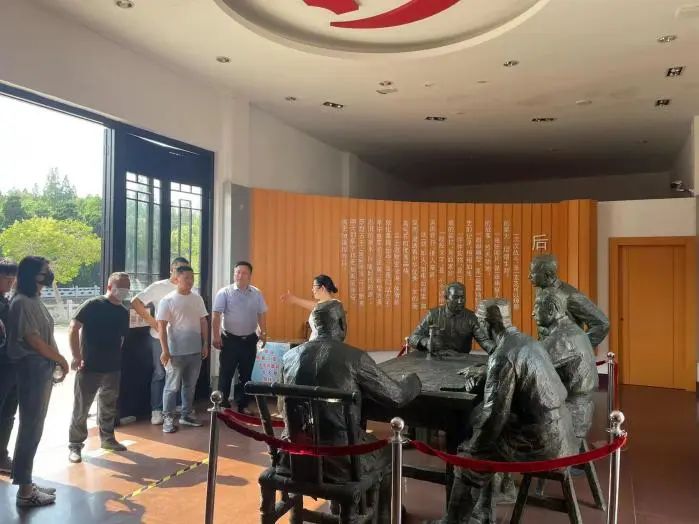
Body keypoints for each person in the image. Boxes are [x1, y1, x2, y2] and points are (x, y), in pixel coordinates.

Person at [435, 298, 577, 524]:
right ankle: (483, 510)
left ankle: (453, 521)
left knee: (469, 456)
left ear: (486, 325)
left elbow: (495, 416)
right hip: (563, 431)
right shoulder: (528, 341)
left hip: (541, 442)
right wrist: (487, 380)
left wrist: (473, 447)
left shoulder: (503, 356)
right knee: (486, 438)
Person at [279, 305, 421, 521]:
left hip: (292, 458)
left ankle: (345, 507)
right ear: (342, 324)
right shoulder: (355, 358)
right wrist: (414, 381)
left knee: (346, 438)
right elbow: (397, 396)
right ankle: (383, 517)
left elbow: (283, 409)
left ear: (312, 327)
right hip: (341, 462)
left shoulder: (289, 357)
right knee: (389, 451)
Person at [7, 256, 69, 507]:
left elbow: (44, 335)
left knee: (35, 426)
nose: (48, 275)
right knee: (30, 428)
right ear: (31, 274)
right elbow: (34, 340)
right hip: (31, 368)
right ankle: (25, 490)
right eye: (45, 271)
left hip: (41, 369)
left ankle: (27, 480)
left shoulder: (34, 300)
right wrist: (60, 359)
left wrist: (56, 361)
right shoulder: (22, 302)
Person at [67, 272, 132, 463]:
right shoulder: (93, 305)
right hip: (89, 365)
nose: (124, 291)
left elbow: (121, 338)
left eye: (127, 288)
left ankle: (108, 439)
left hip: (113, 367)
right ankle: (75, 445)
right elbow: (73, 327)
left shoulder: (123, 312)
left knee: (109, 406)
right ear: (110, 287)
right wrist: (76, 356)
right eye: (121, 287)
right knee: (82, 407)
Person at [131, 257, 190, 425]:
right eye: (179, 269)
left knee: (178, 373)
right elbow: (136, 302)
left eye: (185, 270)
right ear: (172, 269)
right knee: (160, 373)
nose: (182, 273)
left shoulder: (188, 288)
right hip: (159, 337)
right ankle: (156, 410)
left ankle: (175, 406)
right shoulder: (159, 287)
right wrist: (152, 322)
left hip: (181, 339)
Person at [534, 288, 598, 440]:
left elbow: (530, 363)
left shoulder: (562, 338)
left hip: (571, 414)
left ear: (551, 309)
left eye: (537, 307)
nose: (533, 313)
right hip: (580, 409)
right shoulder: (573, 330)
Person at [156, 266, 209, 433]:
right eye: (187, 278)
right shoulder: (168, 300)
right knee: (172, 387)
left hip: (195, 351)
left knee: (190, 386)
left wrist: (205, 344)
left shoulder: (197, 299)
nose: (190, 281)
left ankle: (186, 415)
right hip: (175, 352)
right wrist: (165, 350)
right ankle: (168, 418)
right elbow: (161, 327)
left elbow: (203, 321)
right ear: (177, 279)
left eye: (192, 278)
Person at [212, 261, 267, 412]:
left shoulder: (256, 293)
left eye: (244, 273)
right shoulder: (224, 292)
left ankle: (243, 405)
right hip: (230, 340)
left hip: (249, 340)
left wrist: (263, 332)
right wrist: (216, 336)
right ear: (234, 274)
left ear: (250, 276)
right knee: (226, 373)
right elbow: (216, 315)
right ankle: (222, 405)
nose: (240, 275)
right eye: (237, 272)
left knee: (246, 375)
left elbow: (261, 314)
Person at [529, 254, 610, 349]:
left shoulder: (571, 296)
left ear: (547, 275)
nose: (529, 276)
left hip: (565, 354)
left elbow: (602, 324)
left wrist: (578, 347)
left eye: (533, 273)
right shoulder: (540, 291)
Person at [409, 282, 494, 356]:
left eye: (462, 297)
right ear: (446, 298)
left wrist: (497, 350)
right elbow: (413, 338)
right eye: (455, 297)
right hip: (435, 360)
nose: (460, 301)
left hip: (461, 361)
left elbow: (484, 341)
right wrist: (425, 342)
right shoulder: (433, 315)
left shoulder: (471, 317)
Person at [280, 274, 347, 341]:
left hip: (324, 345)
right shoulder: (321, 306)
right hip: (316, 344)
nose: (312, 289)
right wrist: (294, 300)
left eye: (314, 286)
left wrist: (295, 300)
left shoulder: (335, 304)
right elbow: (317, 307)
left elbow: (321, 307)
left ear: (322, 288)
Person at [0, 258, 18, 475]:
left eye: (13, 278)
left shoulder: (8, 301)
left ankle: (2, 456)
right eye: (7, 277)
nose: (10, 282)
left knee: (8, 414)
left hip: (11, 364)